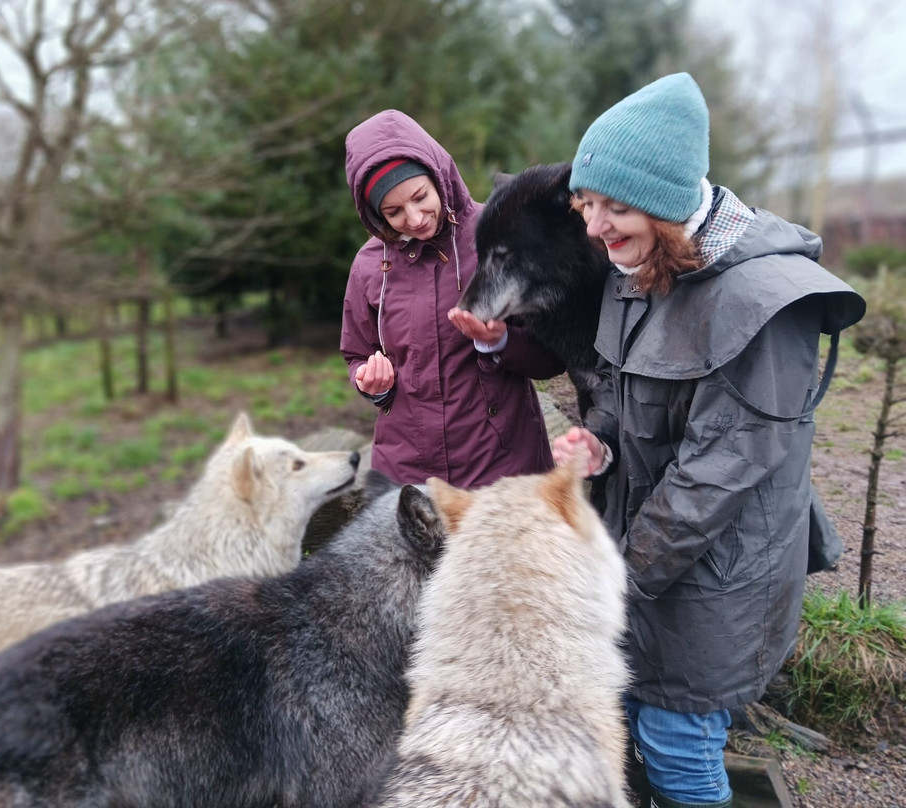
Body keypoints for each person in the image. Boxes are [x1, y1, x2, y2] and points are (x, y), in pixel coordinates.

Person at [551, 73, 866, 808]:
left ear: (666, 205)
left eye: (615, 207)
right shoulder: (639, 268)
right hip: (644, 560)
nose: (595, 227)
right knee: (632, 720)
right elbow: (618, 397)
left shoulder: (766, 302)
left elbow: (717, 472)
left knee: (678, 747)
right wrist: (595, 443)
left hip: (717, 577)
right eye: (586, 204)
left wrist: (616, 579)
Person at [341, 109, 565, 488]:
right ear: (374, 214)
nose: (413, 219)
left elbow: (553, 356)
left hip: (501, 465)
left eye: (419, 196)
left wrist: (501, 340)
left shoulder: (496, 235)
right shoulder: (368, 266)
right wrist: (370, 383)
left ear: (438, 176)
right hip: (406, 474)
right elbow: (356, 353)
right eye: (393, 211)